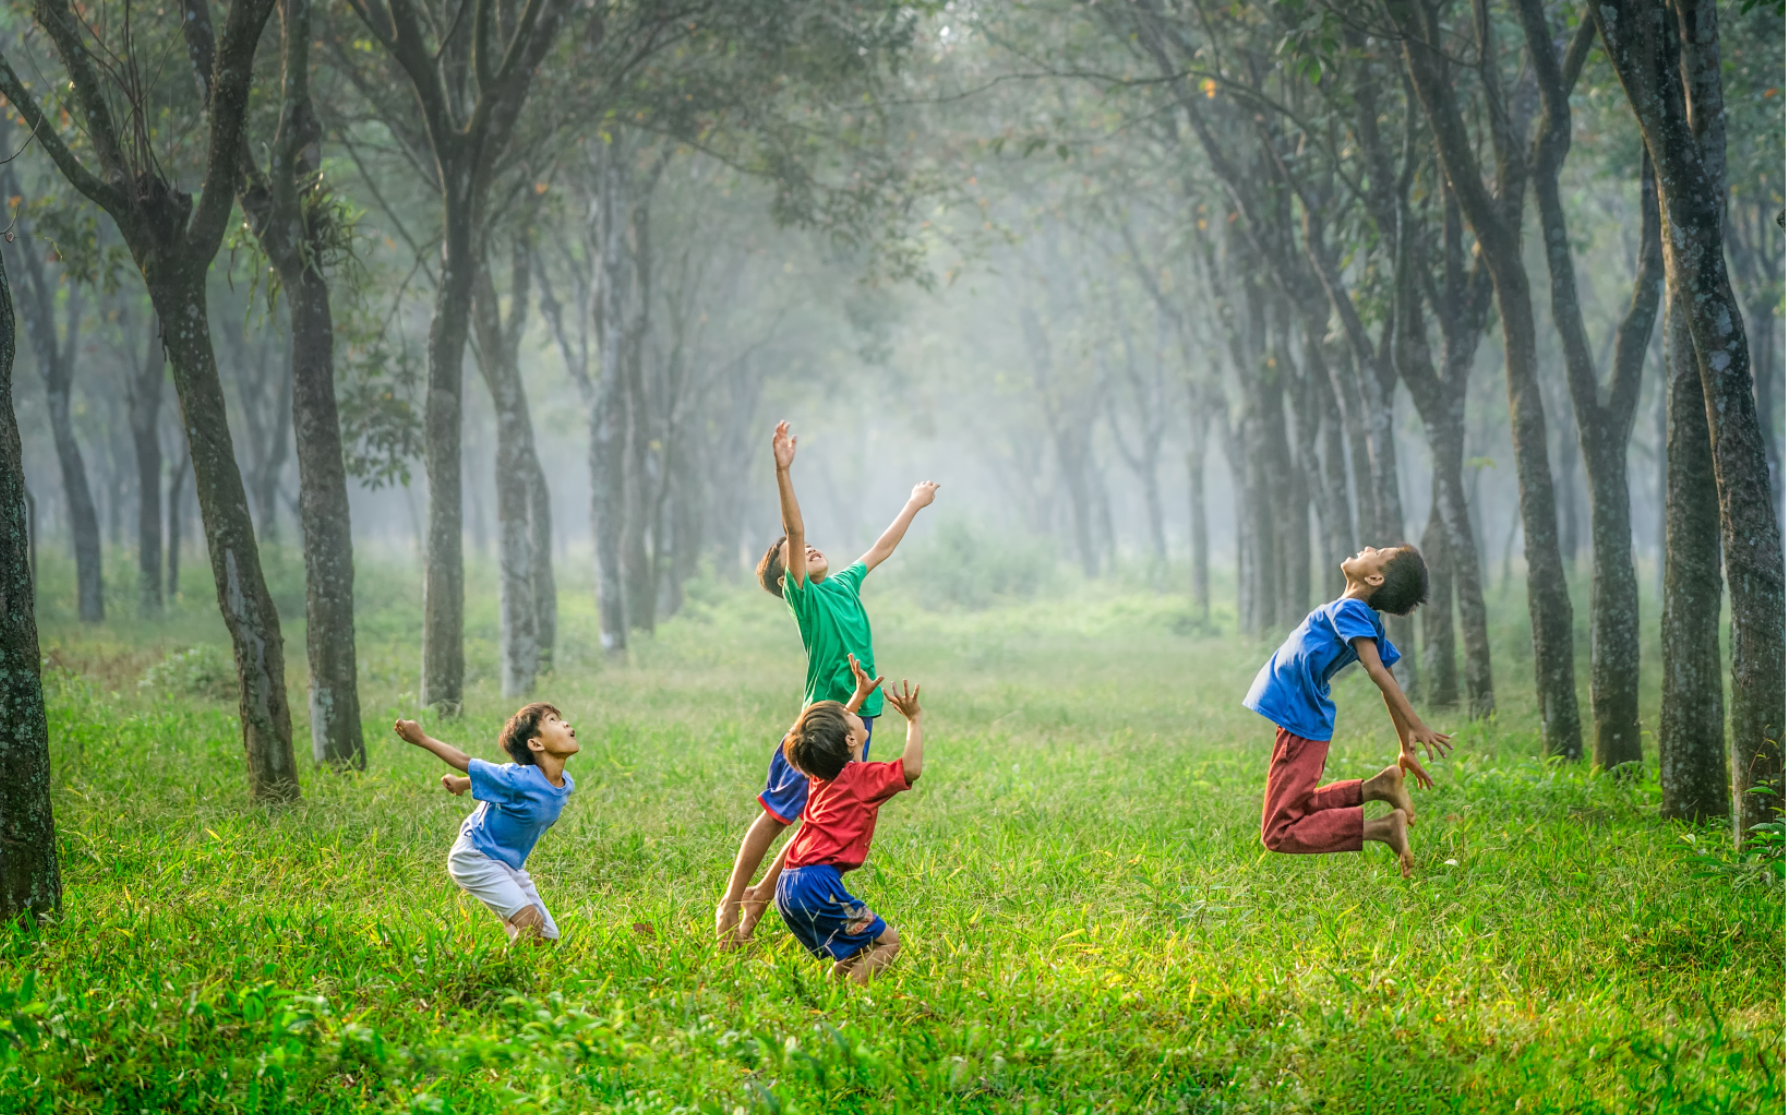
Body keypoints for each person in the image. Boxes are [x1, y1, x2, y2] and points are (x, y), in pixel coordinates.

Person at [714, 419, 938, 946]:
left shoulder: (842, 584)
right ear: (783, 579)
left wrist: (913, 503)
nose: (808, 547)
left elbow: (880, 548)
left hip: (859, 719)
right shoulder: (806, 599)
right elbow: (793, 530)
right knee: (776, 815)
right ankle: (731, 904)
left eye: (811, 546)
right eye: (793, 553)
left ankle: (753, 917)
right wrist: (782, 470)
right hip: (820, 723)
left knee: (818, 821)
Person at [1242, 544, 1451, 877]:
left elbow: (1378, 671)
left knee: (1278, 831)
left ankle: (1383, 829)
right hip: (1301, 718)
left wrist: (1415, 724)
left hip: (1300, 720)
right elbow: (1387, 679)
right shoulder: (1358, 614)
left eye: (1378, 551)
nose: (1368, 547)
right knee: (1297, 807)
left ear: (1374, 577)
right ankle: (1378, 788)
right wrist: (1404, 745)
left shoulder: (1352, 610)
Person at [775, 675, 924, 983]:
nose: (853, 712)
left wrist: (857, 696)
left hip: (788, 884)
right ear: (850, 740)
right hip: (818, 886)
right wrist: (914, 719)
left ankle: (829, 995)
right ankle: (851, 1002)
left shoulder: (821, 774)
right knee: (888, 942)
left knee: (856, 949)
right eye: (850, 715)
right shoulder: (862, 779)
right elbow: (911, 768)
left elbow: (829, 736)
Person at [394, 704, 579, 942]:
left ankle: (518, 951)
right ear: (535, 744)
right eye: (553, 720)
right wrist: (421, 739)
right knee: (531, 927)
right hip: (476, 857)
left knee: (546, 938)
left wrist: (462, 784)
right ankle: (494, 973)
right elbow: (465, 761)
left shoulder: (566, 783)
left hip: (508, 865)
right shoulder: (517, 778)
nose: (565, 724)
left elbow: (499, 784)